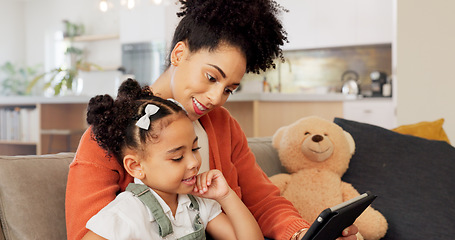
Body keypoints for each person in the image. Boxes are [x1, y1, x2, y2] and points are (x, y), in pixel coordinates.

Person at [65, 0, 359, 239]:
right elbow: (89, 231)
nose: (217, 98)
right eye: (211, 77)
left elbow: (262, 200)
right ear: (179, 53)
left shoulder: (222, 124)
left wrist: (302, 233)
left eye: (229, 88)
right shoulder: (110, 131)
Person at [80, 79, 263, 240]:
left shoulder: (198, 204)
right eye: (177, 158)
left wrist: (226, 196)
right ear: (136, 166)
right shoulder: (128, 213)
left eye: (195, 149)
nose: (194, 163)